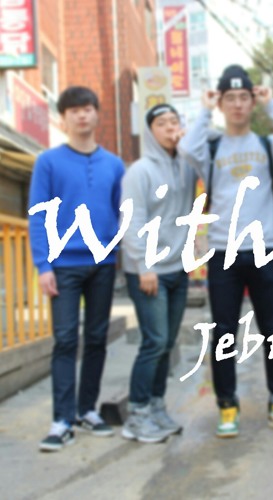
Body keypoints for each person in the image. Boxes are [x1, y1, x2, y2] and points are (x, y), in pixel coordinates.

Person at [178, 64, 273, 438]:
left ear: (252, 102)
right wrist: (204, 111)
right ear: (221, 103)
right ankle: (227, 405)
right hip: (224, 252)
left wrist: (271, 105)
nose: (237, 104)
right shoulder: (211, 148)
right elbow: (186, 147)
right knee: (223, 333)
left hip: (265, 248)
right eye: (230, 98)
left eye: (243, 98)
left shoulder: (270, 147)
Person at [28, 86, 125, 452]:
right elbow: (39, 216)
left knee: (97, 339)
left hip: (103, 265)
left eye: (87, 108)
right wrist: (43, 265)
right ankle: (62, 420)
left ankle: (88, 410)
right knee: (66, 339)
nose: (82, 115)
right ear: (63, 118)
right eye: (74, 110)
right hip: (63, 265)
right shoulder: (48, 162)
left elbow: (121, 212)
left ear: (97, 114)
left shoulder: (114, 164)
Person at [120, 104, 197, 443]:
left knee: (167, 343)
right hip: (148, 272)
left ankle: (155, 405)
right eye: (162, 124)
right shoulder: (139, 171)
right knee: (154, 342)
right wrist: (144, 265)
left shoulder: (186, 166)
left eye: (174, 122)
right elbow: (131, 220)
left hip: (178, 269)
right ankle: (136, 414)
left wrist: (190, 140)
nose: (170, 128)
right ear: (150, 132)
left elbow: (209, 151)